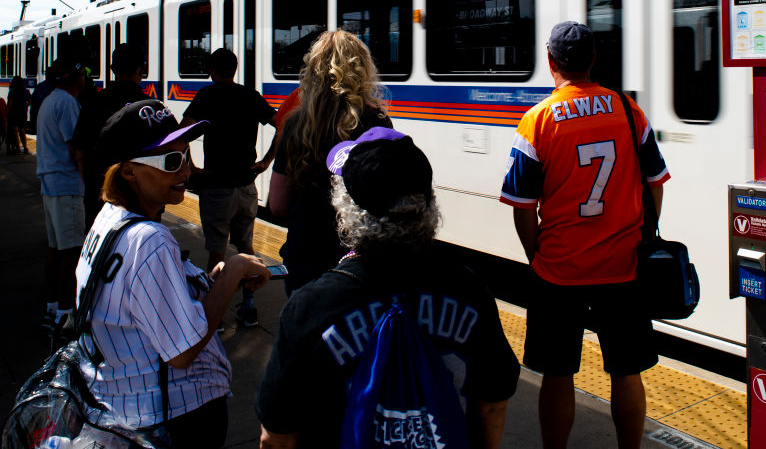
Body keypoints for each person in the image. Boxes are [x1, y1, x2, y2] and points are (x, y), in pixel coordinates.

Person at [256, 127, 520, 448]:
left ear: (345, 208)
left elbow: (277, 436)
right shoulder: (469, 290)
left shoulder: (310, 307)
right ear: (428, 204)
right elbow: (492, 404)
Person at [499, 21, 671, 449]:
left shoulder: (538, 122)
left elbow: (522, 207)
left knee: (557, 373)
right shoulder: (628, 111)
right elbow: (656, 181)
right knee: (626, 370)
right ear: (594, 60)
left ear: (551, 62)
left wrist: (536, 254)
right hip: (624, 265)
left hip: (559, 270)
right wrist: (643, 233)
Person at [77, 99, 271, 447]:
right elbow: (181, 352)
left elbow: (143, 307)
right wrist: (234, 272)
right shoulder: (150, 241)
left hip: (137, 410)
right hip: (170, 422)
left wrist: (209, 285)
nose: (185, 171)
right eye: (171, 162)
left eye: (186, 157)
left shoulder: (108, 222)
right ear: (128, 171)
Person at [267, 30, 391, 294]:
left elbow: (276, 205)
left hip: (304, 258)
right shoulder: (376, 123)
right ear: (361, 69)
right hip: (356, 264)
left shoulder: (295, 125)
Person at [182, 48, 277, 327]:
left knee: (217, 253)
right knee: (246, 249)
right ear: (235, 69)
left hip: (217, 187)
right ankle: (248, 308)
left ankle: (217, 314)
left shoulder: (206, 97)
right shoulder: (250, 96)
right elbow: (282, 126)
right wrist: (266, 161)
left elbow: (182, 132)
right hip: (247, 187)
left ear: (212, 70)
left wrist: (191, 166)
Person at [72, 43, 149, 227]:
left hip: (100, 198)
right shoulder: (151, 107)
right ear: (143, 69)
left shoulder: (92, 104)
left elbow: (80, 155)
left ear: (113, 69)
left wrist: (91, 188)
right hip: (141, 201)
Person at [35, 59, 87, 332]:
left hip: (51, 184)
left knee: (55, 249)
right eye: (84, 73)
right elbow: (76, 149)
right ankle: (66, 316)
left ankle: (52, 308)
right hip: (66, 185)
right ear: (74, 76)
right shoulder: (67, 103)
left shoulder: (49, 100)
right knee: (71, 252)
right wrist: (87, 180)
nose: (86, 78)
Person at [7, 74, 30, 154]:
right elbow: (29, 102)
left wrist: (7, 113)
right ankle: (25, 147)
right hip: (23, 112)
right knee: (22, 130)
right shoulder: (26, 91)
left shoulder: (12, 92)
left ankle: (18, 147)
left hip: (14, 112)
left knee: (14, 130)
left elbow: (10, 104)